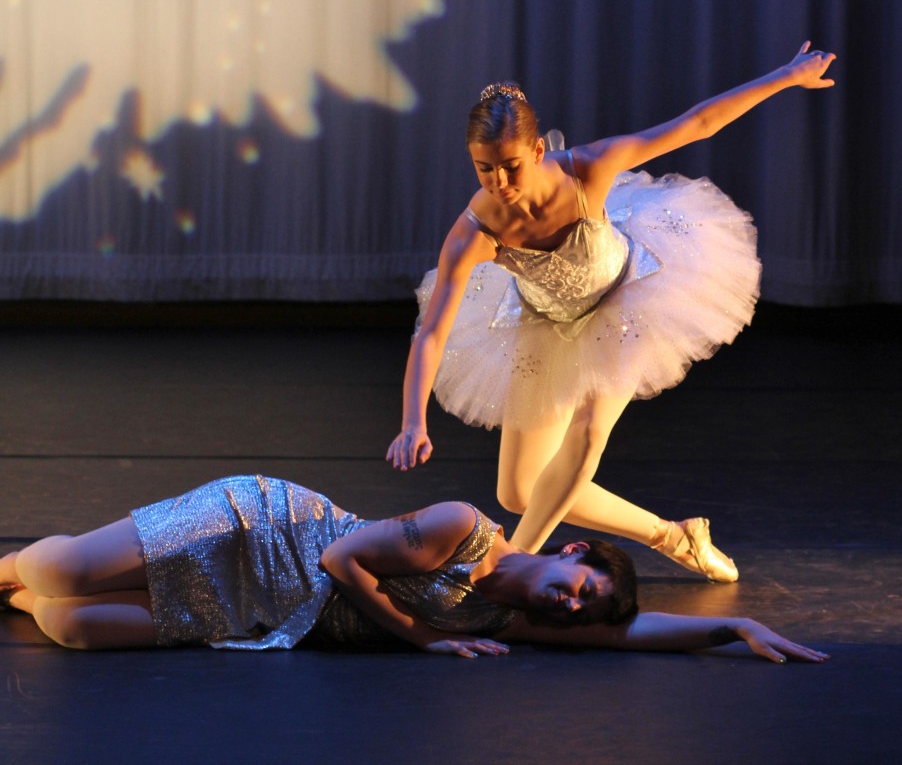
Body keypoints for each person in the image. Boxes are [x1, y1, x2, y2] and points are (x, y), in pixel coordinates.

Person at [386, 42, 837, 582]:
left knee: (587, 435)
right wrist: (413, 419)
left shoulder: (587, 171)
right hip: (547, 324)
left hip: (624, 305)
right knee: (521, 490)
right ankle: (674, 536)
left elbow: (697, 124)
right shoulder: (473, 234)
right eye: (484, 170)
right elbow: (432, 332)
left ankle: (499, 575)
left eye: (509, 167)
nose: (498, 184)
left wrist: (786, 77)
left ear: (535, 152)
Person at [0, 474, 828, 663]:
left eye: (580, 610)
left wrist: (734, 624)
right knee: (70, 571)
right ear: (572, 550)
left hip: (269, 611)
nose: (572, 606)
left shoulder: (506, 618)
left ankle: (15, 587)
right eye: (582, 588)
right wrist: (419, 635)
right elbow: (335, 556)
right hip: (263, 529)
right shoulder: (465, 531)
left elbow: (628, 632)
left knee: (74, 626)